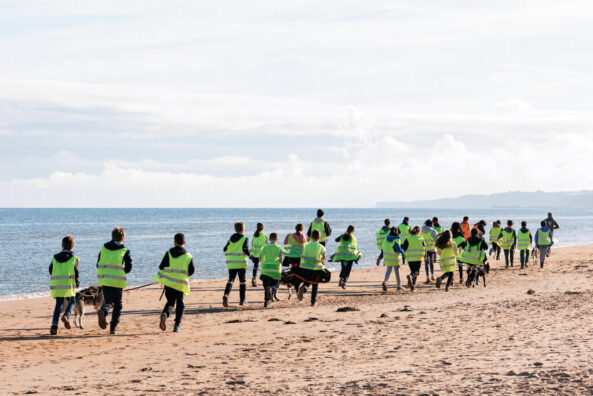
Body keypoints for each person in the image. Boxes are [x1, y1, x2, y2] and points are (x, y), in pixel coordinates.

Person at [154, 233, 195, 332]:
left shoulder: (168, 253)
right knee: (180, 304)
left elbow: (161, 266)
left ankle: (165, 314)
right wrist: (183, 274)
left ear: (174, 242)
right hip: (180, 284)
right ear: (184, 242)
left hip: (169, 283)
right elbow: (192, 270)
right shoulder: (188, 256)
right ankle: (177, 325)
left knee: (171, 302)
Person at [97, 227, 132, 334]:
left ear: (112, 236)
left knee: (109, 301)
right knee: (117, 304)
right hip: (117, 281)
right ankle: (113, 327)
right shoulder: (124, 250)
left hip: (105, 280)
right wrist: (123, 270)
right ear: (122, 238)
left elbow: (97, 263)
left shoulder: (103, 248)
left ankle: (104, 310)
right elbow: (129, 267)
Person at [49, 235, 79, 335]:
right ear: (72, 246)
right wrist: (77, 283)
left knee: (58, 305)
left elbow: (50, 270)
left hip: (57, 285)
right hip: (69, 285)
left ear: (62, 245)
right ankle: (66, 315)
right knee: (73, 301)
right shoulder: (74, 258)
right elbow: (76, 272)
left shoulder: (55, 257)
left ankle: (54, 326)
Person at [222, 222, 253, 307]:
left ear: (235, 229)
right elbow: (245, 249)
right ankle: (242, 300)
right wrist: (251, 256)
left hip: (231, 263)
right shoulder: (244, 238)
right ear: (243, 229)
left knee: (231, 280)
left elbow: (224, 249)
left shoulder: (230, 239)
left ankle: (226, 295)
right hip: (241, 263)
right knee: (242, 281)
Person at [297, 230, 326, 306]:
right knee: (315, 284)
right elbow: (324, 257)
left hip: (305, 267)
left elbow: (301, 254)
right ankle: (313, 301)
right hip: (316, 268)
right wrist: (321, 260)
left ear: (311, 237)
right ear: (319, 237)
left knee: (308, 280)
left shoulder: (306, 245)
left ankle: (304, 288)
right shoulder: (321, 247)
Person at [259, 233, 283, 308]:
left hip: (265, 269)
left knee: (266, 285)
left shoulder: (263, 248)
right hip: (275, 270)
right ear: (277, 239)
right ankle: (272, 293)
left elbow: (260, 259)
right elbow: (281, 260)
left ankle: (267, 301)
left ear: (269, 239)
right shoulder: (278, 248)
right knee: (275, 284)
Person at [378, 227, 405, 291]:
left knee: (388, 270)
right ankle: (399, 285)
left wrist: (379, 258)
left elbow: (382, 250)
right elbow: (397, 248)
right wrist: (403, 253)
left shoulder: (385, 239)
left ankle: (385, 281)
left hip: (387, 258)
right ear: (396, 231)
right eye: (398, 231)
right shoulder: (396, 239)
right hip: (395, 258)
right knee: (397, 271)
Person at [283, 223, 308, 292]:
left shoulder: (289, 235)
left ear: (295, 228)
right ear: (302, 229)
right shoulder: (305, 237)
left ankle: (293, 283)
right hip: (301, 257)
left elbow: (285, 243)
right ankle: (297, 284)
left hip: (291, 257)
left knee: (293, 270)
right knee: (299, 271)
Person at [402, 226, 426, 292]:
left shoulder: (408, 237)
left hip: (410, 258)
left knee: (413, 271)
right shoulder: (421, 237)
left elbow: (404, 247)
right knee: (416, 272)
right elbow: (425, 247)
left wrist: (403, 255)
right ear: (419, 231)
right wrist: (425, 256)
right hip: (418, 257)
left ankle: (413, 287)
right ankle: (412, 281)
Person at [249, 223, 268, 287]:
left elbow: (252, 245)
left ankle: (254, 279)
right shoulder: (264, 235)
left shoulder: (254, 235)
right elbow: (267, 245)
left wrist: (251, 254)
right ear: (263, 228)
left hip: (255, 254)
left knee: (255, 267)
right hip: (263, 254)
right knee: (264, 267)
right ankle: (265, 280)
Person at [421, 219, 437, 284]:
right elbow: (436, 240)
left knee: (426, 263)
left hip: (425, 249)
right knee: (431, 262)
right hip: (432, 248)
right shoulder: (433, 231)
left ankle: (427, 277)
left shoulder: (422, 231)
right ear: (431, 224)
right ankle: (432, 276)